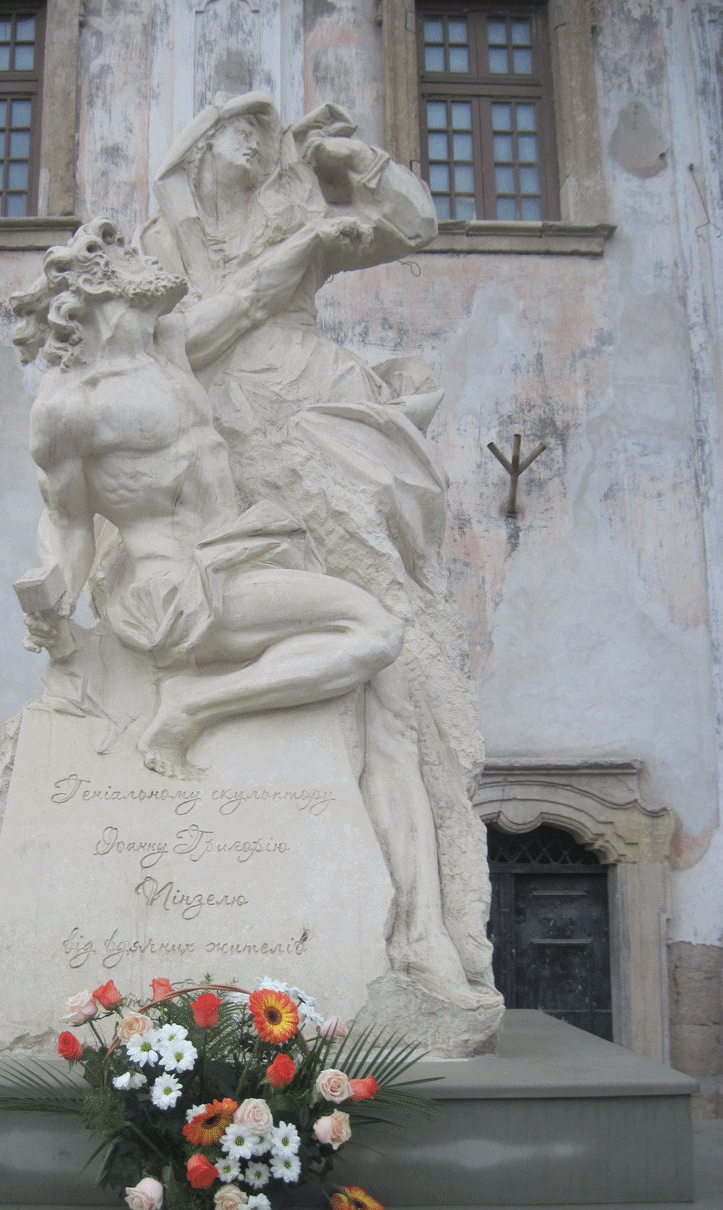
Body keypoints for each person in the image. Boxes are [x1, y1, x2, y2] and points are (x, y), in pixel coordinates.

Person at [137, 94, 500, 1011]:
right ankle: (414, 934)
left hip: (328, 406)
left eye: (264, 138)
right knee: (375, 657)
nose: (254, 150)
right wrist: (289, 260)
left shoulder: (296, 208)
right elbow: (184, 344)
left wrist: (356, 159)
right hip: (244, 444)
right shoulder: (167, 243)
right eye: (235, 134)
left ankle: (425, 932)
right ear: (199, 147)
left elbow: (413, 226)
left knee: (398, 685)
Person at [10, 218, 404, 779]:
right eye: (125, 252)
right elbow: (68, 522)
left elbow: (249, 299)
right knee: (375, 632)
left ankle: (198, 701)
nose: (145, 255)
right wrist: (56, 601)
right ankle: (191, 706)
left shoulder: (167, 348)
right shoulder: (69, 408)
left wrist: (311, 239)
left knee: (369, 630)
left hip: (235, 557)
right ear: (96, 285)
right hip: (173, 591)